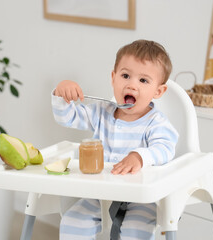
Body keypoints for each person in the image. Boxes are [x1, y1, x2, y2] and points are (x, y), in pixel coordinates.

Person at [51, 39, 179, 240]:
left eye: (143, 81)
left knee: (137, 230)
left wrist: (139, 156)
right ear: (113, 78)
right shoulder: (101, 113)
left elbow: (165, 149)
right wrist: (61, 93)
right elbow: (68, 118)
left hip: (140, 197)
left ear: (158, 91)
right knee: (72, 222)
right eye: (125, 75)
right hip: (99, 192)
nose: (131, 85)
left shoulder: (156, 122)